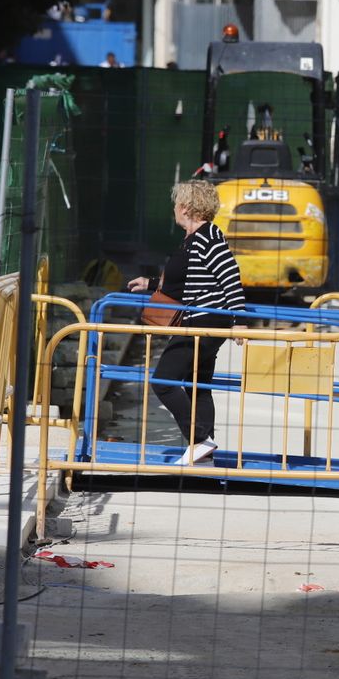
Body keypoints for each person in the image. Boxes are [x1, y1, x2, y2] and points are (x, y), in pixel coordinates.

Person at [127, 179, 247, 465]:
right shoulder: (194, 240)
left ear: (185, 207)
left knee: (163, 381)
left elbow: (231, 277)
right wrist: (151, 283)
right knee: (198, 385)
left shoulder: (208, 237)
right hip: (202, 321)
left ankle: (199, 439)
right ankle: (204, 453)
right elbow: (186, 283)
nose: (175, 210)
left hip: (204, 323)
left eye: (176, 204)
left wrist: (239, 321)